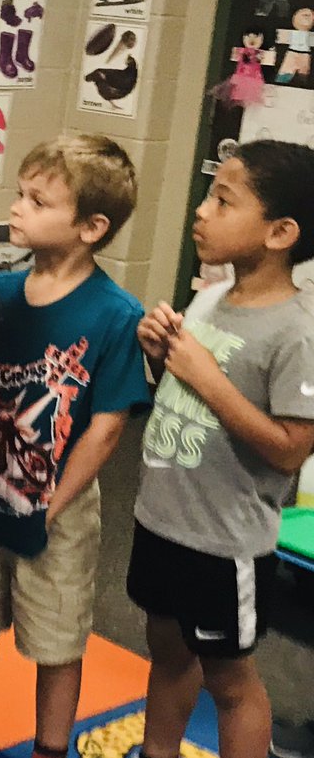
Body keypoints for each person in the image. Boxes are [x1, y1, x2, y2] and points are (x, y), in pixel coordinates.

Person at [0, 134, 149, 758]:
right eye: (21, 195)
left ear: (90, 226)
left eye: (38, 201)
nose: (17, 208)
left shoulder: (115, 314)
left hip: (59, 512)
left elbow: (107, 426)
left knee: (57, 643)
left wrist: (50, 506)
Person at [128, 139, 314, 758]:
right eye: (208, 195)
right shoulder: (209, 296)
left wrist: (204, 375)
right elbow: (181, 404)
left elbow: (290, 450)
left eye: (223, 200)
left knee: (229, 680)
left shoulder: (298, 330)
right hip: (163, 519)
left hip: (224, 542)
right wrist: (163, 361)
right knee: (168, 651)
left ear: (281, 231)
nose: (201, 212)